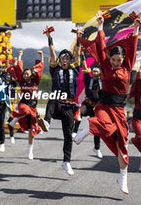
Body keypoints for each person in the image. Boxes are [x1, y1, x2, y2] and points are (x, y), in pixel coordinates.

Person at [75, 10, 141, 194]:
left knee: (122, 144)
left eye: (118, 60)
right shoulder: (104, 64)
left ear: (124, 59)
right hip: (103, 105)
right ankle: (88, 127)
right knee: (104, 124)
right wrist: (100, 25)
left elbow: (134, 46)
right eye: (113, 59)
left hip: (119, 109)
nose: (115, 63)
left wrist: (136, 27)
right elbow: (101, 42)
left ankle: (123, 178)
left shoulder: (127, 66)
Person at [42, 25, 82, 176]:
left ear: (70, 60)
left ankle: (66, 161)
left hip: (69, 107)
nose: (64, 59)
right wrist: (49, 38)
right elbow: (52, 53)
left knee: (68, 135)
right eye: (62, 58)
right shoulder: (54, 69)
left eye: (67, 58)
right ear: (59, 60)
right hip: (56, 104)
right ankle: (46, 121)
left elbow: (78, 54)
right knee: (53, 96)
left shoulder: (75, 69)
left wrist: (78, 37)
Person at [6, 49, 44, 160]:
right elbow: (18, 69)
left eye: (28, 74)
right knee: (24, 111)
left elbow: (39, 69)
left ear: (31, 74)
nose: (26, 75)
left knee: (32, 131)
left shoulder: (35, 81)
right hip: (24, 103)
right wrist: (19, 56)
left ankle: (30, 150)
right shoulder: (22, 81)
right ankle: (14, 120)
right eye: (24, 74)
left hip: (33, 105)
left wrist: (41, 57)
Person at [73, 50, 103, 159]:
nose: (95, 73)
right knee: (79, 114)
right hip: (87, 103)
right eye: (93, 71)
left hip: (97, 108)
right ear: (92, 72)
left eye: (97, 72)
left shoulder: (103, 81)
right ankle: (74, 132)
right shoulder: (88, 79)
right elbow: (84, 67)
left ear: (99, 73)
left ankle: (97, 148)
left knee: (96, 129)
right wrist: (82, 55)